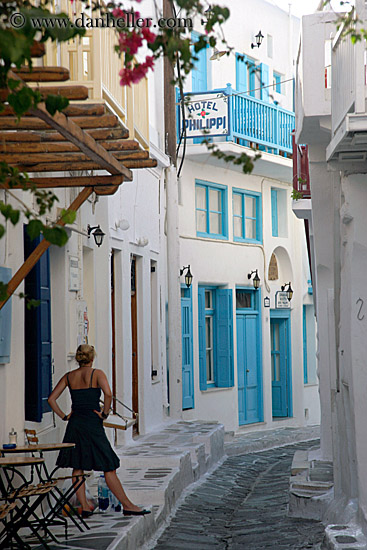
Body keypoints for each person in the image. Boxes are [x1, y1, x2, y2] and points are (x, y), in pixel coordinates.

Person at [48, 344, 150, 518]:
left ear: (78, 358)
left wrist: (65, 417)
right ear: (92, 357)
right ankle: (128, 505)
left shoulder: (69, 376)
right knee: (108, 465)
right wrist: (105, 413)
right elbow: (108, 394)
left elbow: (51, 399)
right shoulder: (97, 374)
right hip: (92, 424)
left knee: (77, 466)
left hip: (75, 424)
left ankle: (85, 506)